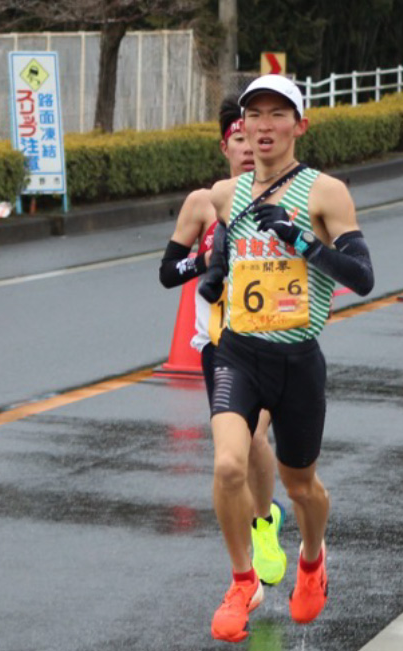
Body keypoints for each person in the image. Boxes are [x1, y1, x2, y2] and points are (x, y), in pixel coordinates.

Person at [200, 75, 374, 643]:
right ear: (241, 128)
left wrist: (303, 243)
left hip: (298, 359)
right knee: (229, 465)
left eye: (279, 115)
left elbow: (363, 277)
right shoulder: (226, 197)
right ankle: (243, 580)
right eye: (256, 116)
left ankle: (312, 560)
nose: (266, 126)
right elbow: (213, 268)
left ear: (299, 125)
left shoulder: (326, 192)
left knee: (302, 488)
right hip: (238, 353)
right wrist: (213, 270)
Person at [158, 96, 288, 589]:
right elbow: (168, 272)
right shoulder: (203, 203)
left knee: (257, 437)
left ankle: (264, 525)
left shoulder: (290, 195)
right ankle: (247, 560)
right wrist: (204, 262)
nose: (249, 148)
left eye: (256, 136)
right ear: (225, 147)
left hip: (277, 338)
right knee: (234, 455)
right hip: (219, 343)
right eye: (239, 139)